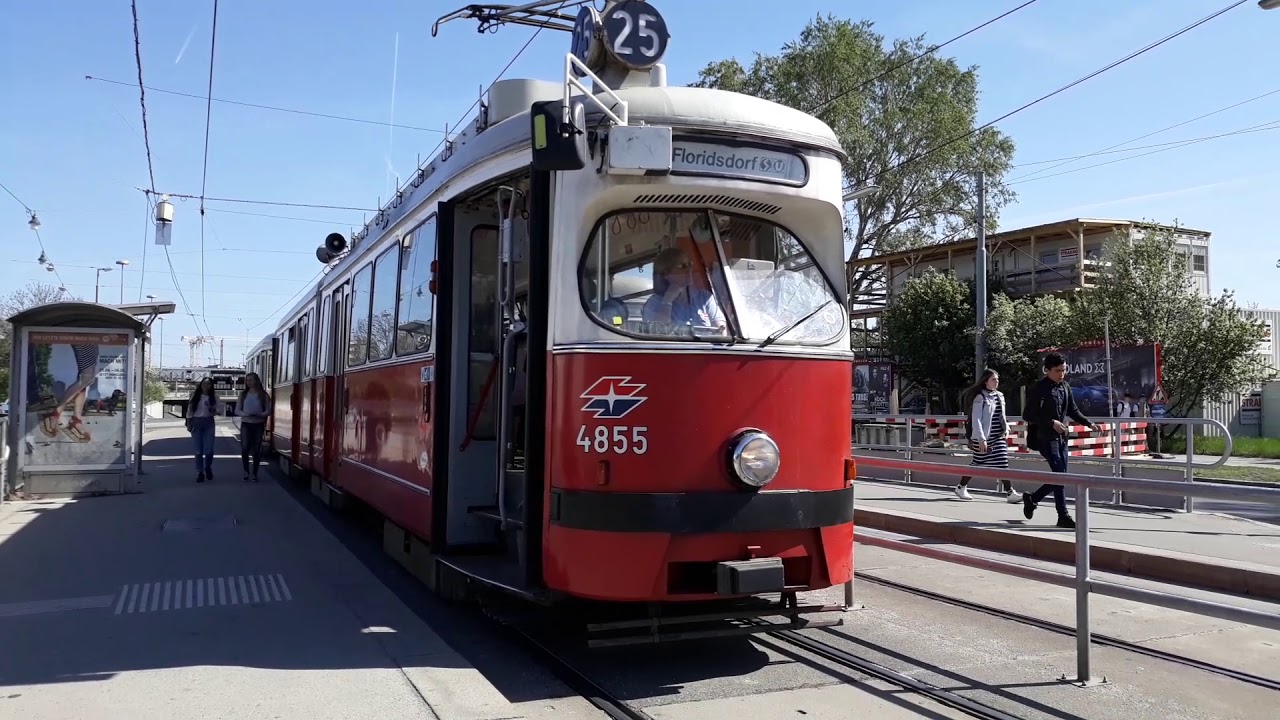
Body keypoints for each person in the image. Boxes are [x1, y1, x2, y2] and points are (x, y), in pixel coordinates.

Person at [1021, 352, 1099, 528]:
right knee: (1060, 475)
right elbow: (1028, 415)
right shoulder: (1038, 388)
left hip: (1061, 437)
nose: (1062, 374)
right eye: (1058, 370)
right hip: (1044, 437)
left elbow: (1072, 410)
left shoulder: (1065, 387)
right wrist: (1051, 422)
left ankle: (1033, 498)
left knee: (1061, 476)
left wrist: (1089, 423)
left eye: (1064, 370)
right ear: (1047, 370)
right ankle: (1062, 515)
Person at [956, 369, 1019, 503]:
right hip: (984, 437)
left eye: (997, 379)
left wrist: (1006, 428)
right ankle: (961, 487)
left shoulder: (1000, 396)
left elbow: (1001, 416)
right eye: (993, 379)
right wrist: (981, 439)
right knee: (977, 463)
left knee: (1002, 462)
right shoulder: (980, 397)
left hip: (998, 436)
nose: (997, 382)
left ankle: (1010, 492)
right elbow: (976, 419)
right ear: (986, 382)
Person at [641, 247, 725, 332]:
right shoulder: (654, 302)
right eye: (683, 266)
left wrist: (720, 330)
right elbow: (656, 333)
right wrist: (667, 301)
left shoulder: (704, 297)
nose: (689, 269)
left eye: (690, 264)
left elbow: (721, 327)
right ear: (666, 273)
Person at [186, 377, 224, 483]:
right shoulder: (195, 395)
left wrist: (214, 410)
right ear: (201, 384)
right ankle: (200, 472)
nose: (206, 385)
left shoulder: (214, 397)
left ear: (211, 386)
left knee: (209, 450)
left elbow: (221, 411)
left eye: (208, 384)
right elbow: (189, 411)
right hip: (196, 422)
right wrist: (188, 423)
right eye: (204, 383)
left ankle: (208, 467)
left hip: (209, 423)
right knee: (198, 451)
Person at [236, 372, 271, 482]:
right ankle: (246, 471)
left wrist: (260, 414)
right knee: (245, 448)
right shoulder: (243, 394)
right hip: (246, 423)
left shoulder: (263, 395)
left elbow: (268, 411)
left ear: (256, 380)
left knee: (256, 449)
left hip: (258, 424)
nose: (249, 382)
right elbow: (237, 410)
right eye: (247, 380)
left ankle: (254, 473)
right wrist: (245, 414)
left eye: (251, 380)